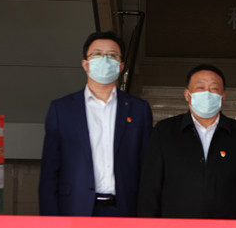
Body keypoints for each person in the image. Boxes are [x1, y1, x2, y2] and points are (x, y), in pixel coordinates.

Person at [38, 31, 153, 217]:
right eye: (97, 54)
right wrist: (50, 219)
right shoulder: (62, 109)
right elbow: (49, 171)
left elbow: (146, 167)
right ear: (85, 64)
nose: (105, 60)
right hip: (75, 208)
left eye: (112, 55)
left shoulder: (138, 109)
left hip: (125, 209)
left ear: (121, 66)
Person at [137, 64, 236, 219]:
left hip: (226, 227)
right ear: (187, 94)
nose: (207, 93)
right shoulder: (165, 131)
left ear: (223, 96)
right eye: (200, 87)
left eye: (214, 88)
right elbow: (150, 186)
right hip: (175, 226)